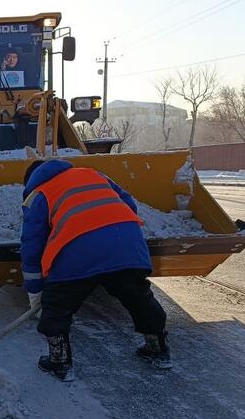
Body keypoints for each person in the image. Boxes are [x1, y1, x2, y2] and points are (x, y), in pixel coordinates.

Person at [20, 159, 172, 382]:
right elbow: (129, 204)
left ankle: (59, 362)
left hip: (78, 251)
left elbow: (32, 247)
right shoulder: (94, 174)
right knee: (138, 296)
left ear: (31, 181)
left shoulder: (38, 194)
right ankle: (158, 349)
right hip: (127, 243)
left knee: (58, 304)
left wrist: (35, 293)